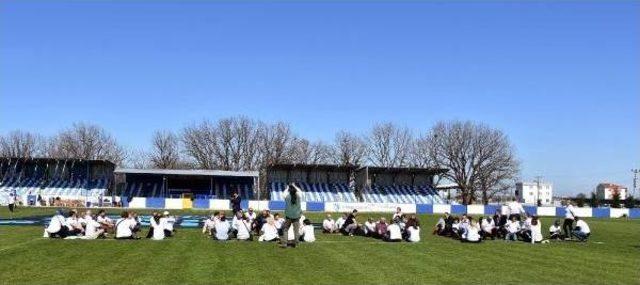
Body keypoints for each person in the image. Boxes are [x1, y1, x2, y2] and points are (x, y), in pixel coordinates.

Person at [280, 183, 303, 248]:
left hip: (288, 216)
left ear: (289, 190)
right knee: (296, 231)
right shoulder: (299, 195)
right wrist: (294, 186)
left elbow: (283, 193)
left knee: (285, 229)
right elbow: (300, 191)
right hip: (297, 216)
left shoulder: (286, 196)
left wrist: (287, 187)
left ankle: (285, 244)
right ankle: (296, 244)